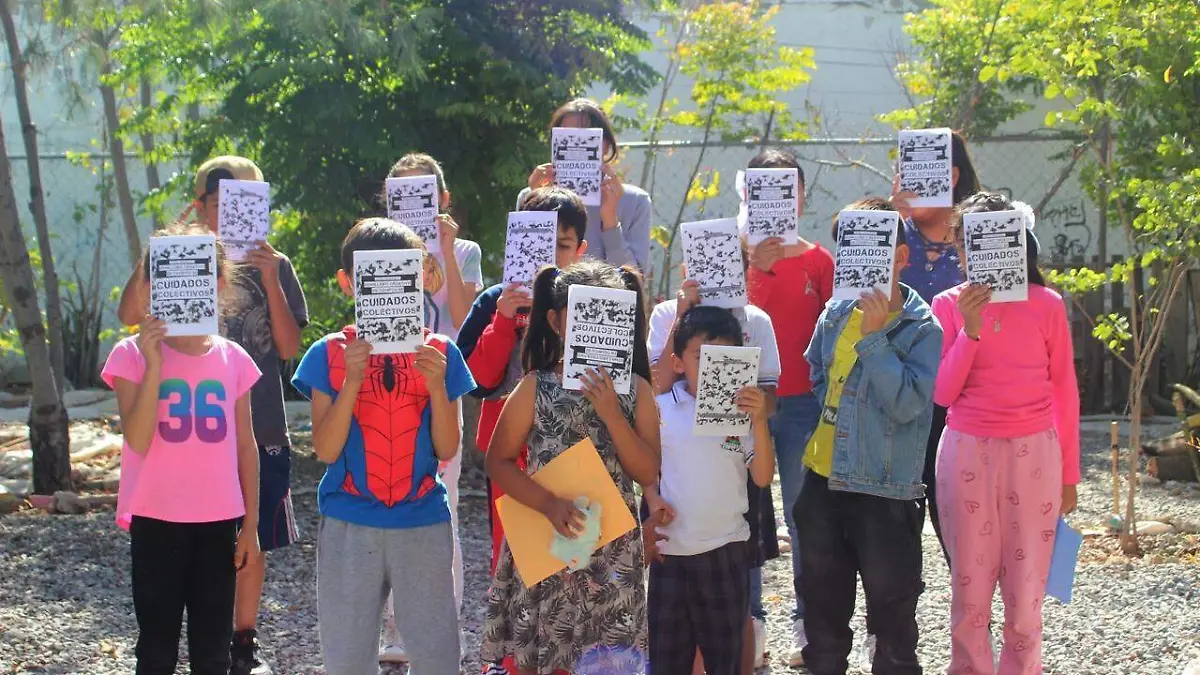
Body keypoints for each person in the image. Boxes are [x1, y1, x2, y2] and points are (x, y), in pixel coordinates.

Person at [115, 156, 307, 675]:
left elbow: (287, 353)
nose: (237, 213)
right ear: (200, 204)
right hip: (158, 512)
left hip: (241, 460)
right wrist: (168, 244)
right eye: (223, 203)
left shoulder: (266, 280)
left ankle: (245, 644)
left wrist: (248, 525)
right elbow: (129, 317)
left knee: (219, 627)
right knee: (155, 643)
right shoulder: (137, 346)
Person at [290, 218, 475, 675]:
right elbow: (328, 451)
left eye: (404, 276)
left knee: (436, 656)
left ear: (422, 278)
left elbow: (448, 448)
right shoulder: (327, 354)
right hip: (350, 521)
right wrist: (352, 379)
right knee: (347, 656)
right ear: (348, 284)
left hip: (422, 519)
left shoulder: (441, 353)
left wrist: (436, 388)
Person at [481, 260, 660, 675]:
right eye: (583, 314)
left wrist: (613, 416)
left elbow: (648, 472)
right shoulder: (534, 386)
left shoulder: (637, 391)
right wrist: (547, 504)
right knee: (540, 655)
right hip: (546, 541)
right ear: (556, 320)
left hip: (612, 553)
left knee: (612, 660)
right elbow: (498, 461)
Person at [102, 223, 261, 675]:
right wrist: (155, 365)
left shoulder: (233, 358)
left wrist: (249, 526)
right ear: (150, 286)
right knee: (156, 650)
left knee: (213, 652)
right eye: (165, 276)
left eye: (199, 274)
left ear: (219, 283)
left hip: (218, 524)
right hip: (155, 521)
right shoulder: (130, 355)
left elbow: (246, 447)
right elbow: (136, 440)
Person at [932, 192, 1080, 675]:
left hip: (1034, 452)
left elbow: (1065, 392)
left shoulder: (1047, 305)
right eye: (964, 244)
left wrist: (1070, 476)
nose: (971, 255)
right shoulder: (948, 305)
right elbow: (943, 392)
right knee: (970, 587)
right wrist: (970, 330)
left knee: (1026, 592)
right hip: (966, 451)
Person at [796, 197, 943, 675]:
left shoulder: (923, 327)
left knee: (894, 621)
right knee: (822, 615)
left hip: (885, 491)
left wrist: (877, 337)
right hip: (822, 481)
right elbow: (819, 375)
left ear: (901, 257)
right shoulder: (836, 312)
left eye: (876, 249)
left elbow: (907, 404)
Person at [645, 255, 782, 671]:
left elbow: (761, 476)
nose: (711, 367)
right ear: (678, 361)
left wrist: (759, 423)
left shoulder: (743, 412)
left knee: (725, 658)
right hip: (671, 554)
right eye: (701, 357)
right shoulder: (661, 408)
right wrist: (651, 502)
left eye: (724, 358)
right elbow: (646, 468)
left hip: (727, 551)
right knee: (668, 661)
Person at [378, 152, 483, 664]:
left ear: (443, 199)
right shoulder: (377, 251)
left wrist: (441, 249)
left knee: (444, 500)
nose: (412, 202)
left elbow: (465, 319)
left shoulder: (463, 250)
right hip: (387, 387)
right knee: (391, 496)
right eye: (400, 194)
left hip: (442, 386)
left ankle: (444, 624)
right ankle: (397, 628)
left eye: (422, 192)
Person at [456, 186, 589, 571]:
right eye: (537, 243)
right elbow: (474, 380)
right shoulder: (496, 300)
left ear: (580, 249)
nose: (548, 256)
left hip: (577, 444)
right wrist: (502, 321)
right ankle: (515, 631)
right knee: (515, 558)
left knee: (577, 554)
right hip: (509, 455)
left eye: (562, 245)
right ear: (517, 242)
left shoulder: (593, 298)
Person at [743, 147, 834, 666]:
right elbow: (730, 317)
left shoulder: (821, 260)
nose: (778, 196)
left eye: (787, 186)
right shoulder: (734, 254)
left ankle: (807, 620)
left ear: (801, 195)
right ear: (748, 196)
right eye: (764, 187)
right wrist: (755, 269)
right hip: (744, 400)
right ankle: (750, 621)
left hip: (802, 404)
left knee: (805, 514)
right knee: (747, 513)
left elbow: (830, 332)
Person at [892, 130, 981, 571]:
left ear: (951, 176)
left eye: (922, 174)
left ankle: (975, 620)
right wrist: (886, 226)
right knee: (894, 526)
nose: (908, 183)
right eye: (902, 172)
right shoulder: (890, 233)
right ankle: (889, 633)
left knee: (961, 527)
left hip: (965, 404)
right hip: (898, 399)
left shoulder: (981, 240)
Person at [521, 98, 651, 270]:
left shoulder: (635, 202)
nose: (576, 145)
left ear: (605, 145)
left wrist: (610, 221)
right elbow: (524, 270)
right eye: (566, 138)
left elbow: (634, 283)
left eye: (586, 137)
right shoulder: (529, 196)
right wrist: (537, 209)